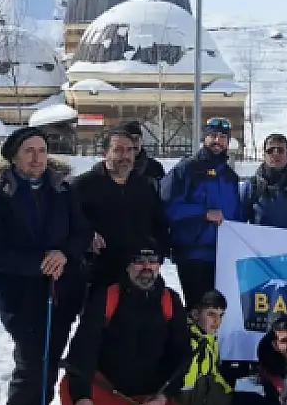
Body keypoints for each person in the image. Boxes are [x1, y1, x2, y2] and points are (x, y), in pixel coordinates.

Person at [0, 128, 93, 405]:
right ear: (13, 156)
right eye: (28, 151)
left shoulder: (63, 190)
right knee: (30, 363)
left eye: (41, 150)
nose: (36, 158)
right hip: (19, 293)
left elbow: (81, 231)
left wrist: (64, 253)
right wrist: (38, 263)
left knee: (51, 357)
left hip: (61, 288)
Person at [60, 247, 195, 405]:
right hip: (108, 387)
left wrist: (164, 396)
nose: (147, 266)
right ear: (128, 265)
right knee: (70, 389)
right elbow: (82, 349)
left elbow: (182, 355)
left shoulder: (170, 300)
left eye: (153, 261)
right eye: (139, 260)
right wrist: (82, 396)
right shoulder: (107, 297)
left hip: (147, 397)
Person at [160, 116, 243, 304]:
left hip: (222, 257)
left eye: (223, 137)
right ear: (204, 138)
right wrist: (203, 213)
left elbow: (237, 216)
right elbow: (167, 207)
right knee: (199, 309)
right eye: (213, 135)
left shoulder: (230, 177)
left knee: (220, 311)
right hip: (193, 255)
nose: (217, 140)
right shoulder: (187, 169)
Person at [75, 127, 171, 287]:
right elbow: (68, 223)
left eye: (129, 150)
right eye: (118, 150)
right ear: (105, 153)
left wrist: (157, 256)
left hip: (139, 275)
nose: (125, 156)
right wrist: (87, 235)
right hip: (97, 275)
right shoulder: (83, 186)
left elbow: (160, 226)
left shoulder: (145, 187)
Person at [174, 290, 275, 405]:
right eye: (211, 314)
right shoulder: (190, 343)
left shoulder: (206, 337)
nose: (217, 321)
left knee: (258, 401)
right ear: (195, 314)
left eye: (221, 315)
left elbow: (213, 371)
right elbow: (183, 389)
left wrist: (227, 391)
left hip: (210, 396)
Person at [240, 132, 287, 230]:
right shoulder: (252, 186)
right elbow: (238, 223)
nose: (275, 154)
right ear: (264, 155)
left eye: (280, 150)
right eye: (270, 151)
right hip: (260, 240)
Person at [121, 119, 165, 184]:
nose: (133, 143)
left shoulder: (155, 167)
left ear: (141, 140)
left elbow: (163, 189)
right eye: (129, 139)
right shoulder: (112, 167)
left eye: (136, 139)